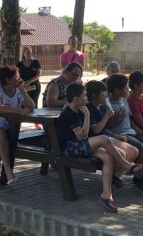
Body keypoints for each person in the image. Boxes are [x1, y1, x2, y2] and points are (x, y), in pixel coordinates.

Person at [56, 83, 143, 213]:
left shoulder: (79, 110)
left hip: (82, 145)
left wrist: (85, 115)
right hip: (70, 148)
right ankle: (127, 165)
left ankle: (107, 194)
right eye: (84, 96)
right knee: (104, 139)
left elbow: (83, 135)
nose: (86, 98)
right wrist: (87, 115)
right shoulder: (68, 113)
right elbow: (82, 137)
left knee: (108, 156)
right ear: (75, 99)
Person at [0, 65, 35, 187]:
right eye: (17, 77)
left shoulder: (17, 91)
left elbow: (32, 106)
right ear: (7, 79)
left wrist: (22, 90)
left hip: (8, 130)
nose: (19, 79)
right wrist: (19, 111)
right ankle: (8, 170)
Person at [85, 80, 138, 188]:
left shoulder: (100, 107)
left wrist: (117, 136)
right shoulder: (90, 108)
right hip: (97, 140)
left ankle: (115, 177)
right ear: (94, 95)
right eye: (103, 92)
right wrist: (107, 115)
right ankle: (111, 179)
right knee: (125, 153)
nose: (106, 94)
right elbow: (96, 130)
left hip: (108, 137)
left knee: (134, 151)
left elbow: (104, 129)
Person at [107, 74, 143, 189]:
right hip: (121, 135)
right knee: (141, 148)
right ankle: (138, 178)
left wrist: (138, 131)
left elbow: (129, 119)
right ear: (117, 90)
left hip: (131, 132)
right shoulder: (108, 104)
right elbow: (106, 126)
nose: (128, 89)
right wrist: (117, 119)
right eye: (126, 88)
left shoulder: (124, 100)